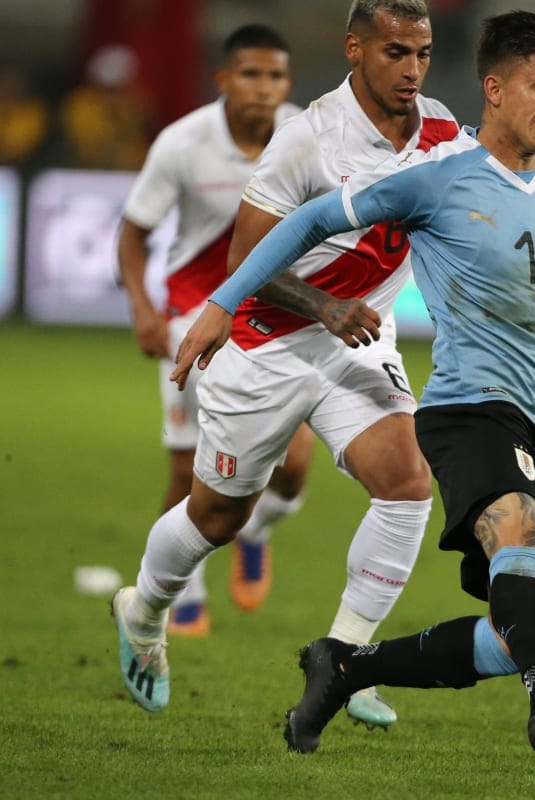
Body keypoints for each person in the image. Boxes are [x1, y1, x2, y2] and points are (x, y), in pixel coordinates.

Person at [170, 10, 535, 759]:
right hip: (466, 409)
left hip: (534, 419)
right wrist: (222, 305)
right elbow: (304, 225)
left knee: (520, 622)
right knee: (516, 532)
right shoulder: (436, 181)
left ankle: (346, 669)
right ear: (495, 88)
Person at [112, 0, 462, 730]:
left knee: (405, 482)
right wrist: (324, 305)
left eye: (422, 52)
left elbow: (476, 206)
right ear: (354, 49)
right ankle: (144, 608)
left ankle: (349, 661)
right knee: (216, 514)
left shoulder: (439, 128)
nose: (413, 69)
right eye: (396, 52)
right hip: (269, 344)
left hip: (360, 342)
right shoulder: (307, 140)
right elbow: (245, 263)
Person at [117, 24, 314, 636]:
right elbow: (133, 234)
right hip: (190, 317)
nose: (264, 88)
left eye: (276, 75)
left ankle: (254, 530)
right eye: (251, 74)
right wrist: (144, 311)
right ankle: (187, 591)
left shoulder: (305, 135)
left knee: (294, 466)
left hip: (275, 314)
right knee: (185, 472)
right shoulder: (183, 142)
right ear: (224, 79)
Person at [58, 44, 155, 171]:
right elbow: (81, 143)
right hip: (88, 168)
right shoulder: (80, 103)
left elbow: (142, 132)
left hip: (131, 169)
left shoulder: (135, 100)